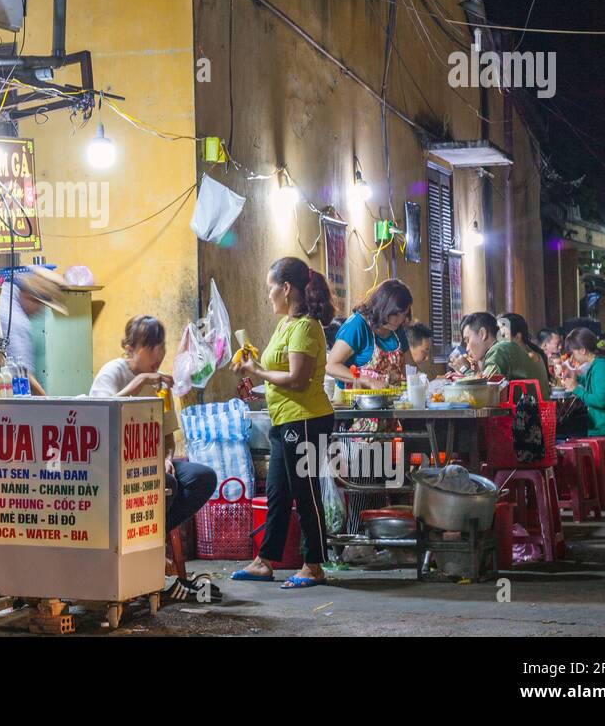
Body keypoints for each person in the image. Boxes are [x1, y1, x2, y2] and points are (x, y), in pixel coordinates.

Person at [90, 316, 219, 602]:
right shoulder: (113, 372)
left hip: (151, 466)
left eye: (160, 345)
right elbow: (99, 411)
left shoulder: (160, 385)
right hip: (112, 467)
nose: (157, 354)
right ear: (130, 347)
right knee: (166, 483)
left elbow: (168, 439)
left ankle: (150, 537)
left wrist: (166, 458)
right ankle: (144, 551)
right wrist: (139, 382)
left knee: (201, 477)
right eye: (150, 346)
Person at [231, 257, 336, 589]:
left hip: (306, 421)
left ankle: (314, 564)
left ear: (286, 288)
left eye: (271, 288)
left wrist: (257, 372)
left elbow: (296, 379)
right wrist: (256, 388)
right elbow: (279, 380)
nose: (269, 295)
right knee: (277, 493)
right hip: (284, 419)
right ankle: (265, 560)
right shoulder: (285, 325)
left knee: (306, 493)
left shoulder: (306, 326)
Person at [325, 279, 413, 390]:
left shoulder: (397, 330)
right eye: (395, 314)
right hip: (358, 402)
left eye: (404, 314)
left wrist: (431, 381)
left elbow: (410, 368)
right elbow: (331, 366)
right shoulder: (357, 325)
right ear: (382, 308)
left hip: (392, 402)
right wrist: (368, 381)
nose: (400, 320)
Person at [0, 267, 68, 396]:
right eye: (41, 306)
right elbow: (21, 374)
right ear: (32, 299)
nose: (39, 312)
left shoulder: (5, 290)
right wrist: (49, 404)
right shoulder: (16, 321)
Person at [558, 328, 605, 439]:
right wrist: (577, 376)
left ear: (582, 350)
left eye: (573, 353)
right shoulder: (601, 362)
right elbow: (597, 384)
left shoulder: (601, 366)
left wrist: (575, 388)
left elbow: (600, 401)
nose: (573, 357)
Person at [457, 311, 551, 391]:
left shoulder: (499, 350)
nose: (467, 348)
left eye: (467, 340)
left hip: (525, 411)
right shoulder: (507, 347)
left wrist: (464, 369)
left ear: (482, 333)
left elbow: (485, 391)